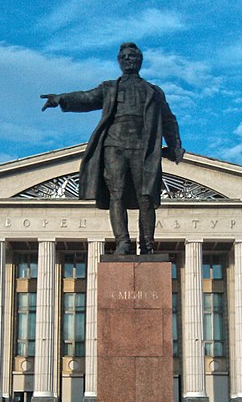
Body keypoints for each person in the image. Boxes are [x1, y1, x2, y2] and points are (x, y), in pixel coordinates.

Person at [41, 42, 184, 255]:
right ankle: (123, 242)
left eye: (132, 57)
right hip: (114, 145)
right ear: (119, 61)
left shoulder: (153, 92)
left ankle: (147, 244)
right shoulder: (109, 87)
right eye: (124, 57)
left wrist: (175, 145)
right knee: (116, 195)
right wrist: (61, 98)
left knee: (146, 197)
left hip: (143, 148)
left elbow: (168, 119)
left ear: (140, 61)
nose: (128, 60)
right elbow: (87, 97)